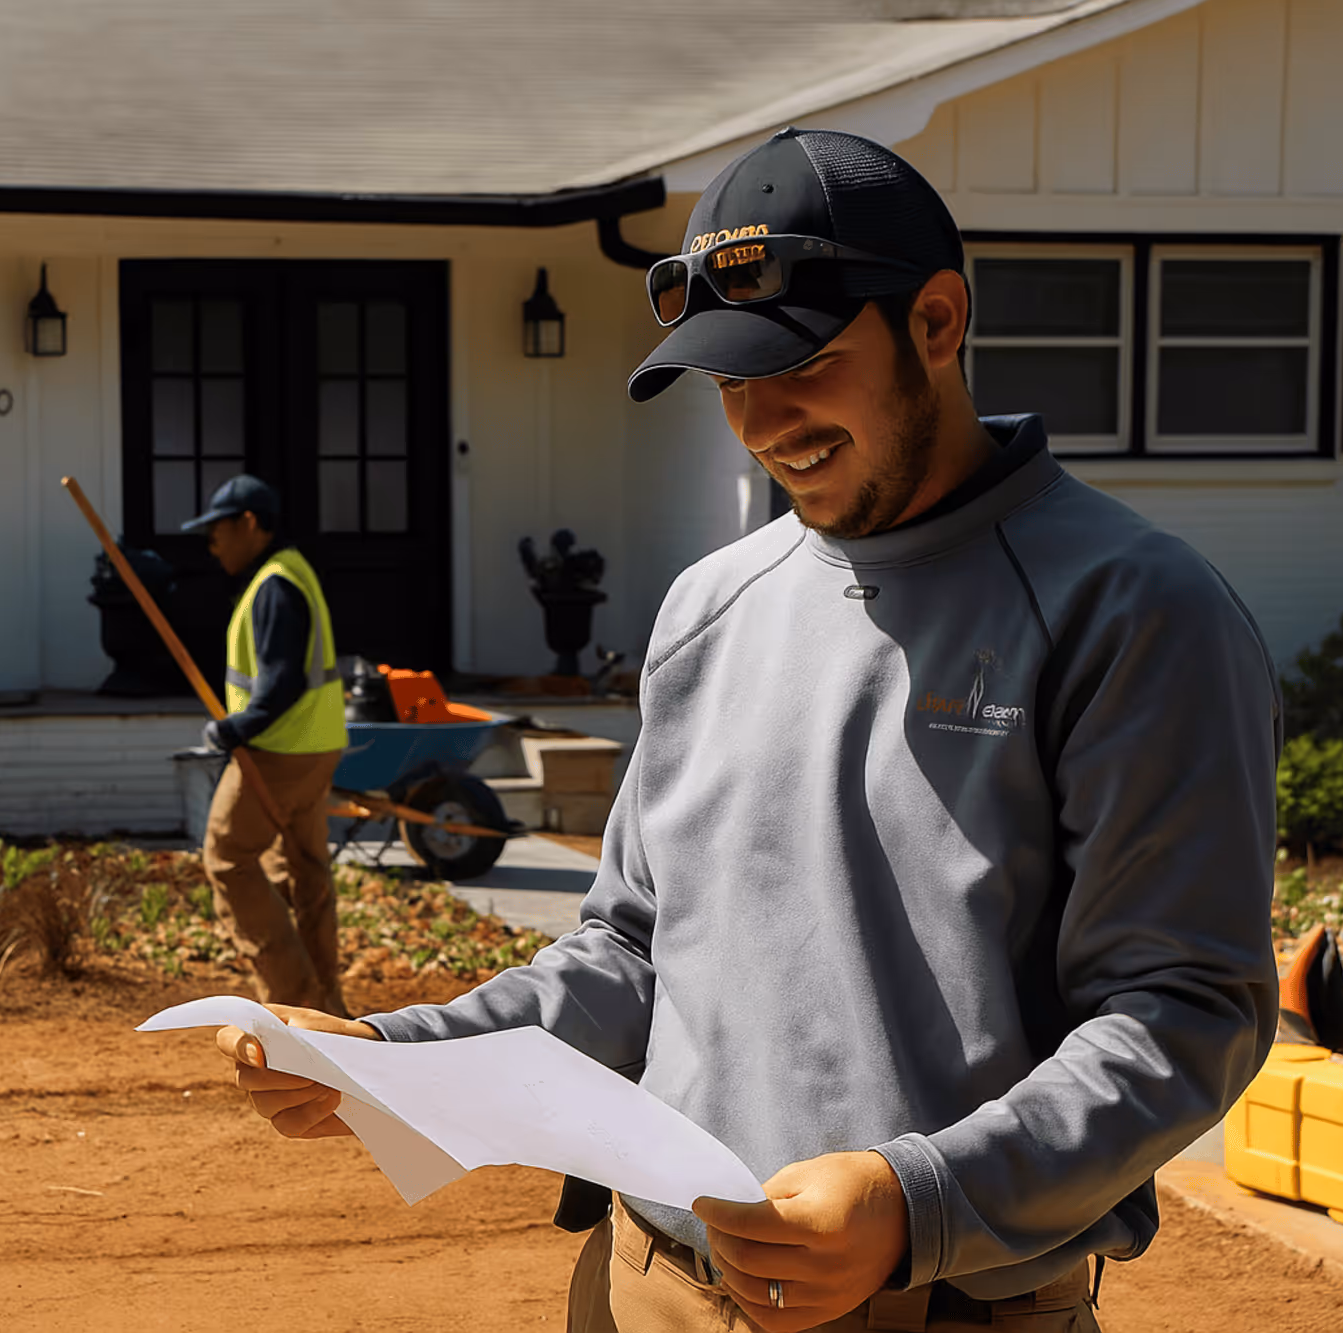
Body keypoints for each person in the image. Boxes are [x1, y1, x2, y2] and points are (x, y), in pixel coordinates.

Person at [209, 127, 1281, 1332]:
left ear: (935, 322)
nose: (764, 422)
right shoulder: (707, 609)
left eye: (803, 363)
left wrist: (914, 1200)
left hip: (931, 1308)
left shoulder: (1130, 611)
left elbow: (1183, 1009)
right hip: (641, 1287)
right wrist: (397, 1049)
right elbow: (627, 955)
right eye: (727, 382)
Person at [182, 474, 350, 1019]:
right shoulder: (290, 574)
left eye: (218, 530)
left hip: (280, 749)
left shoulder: (275, 585)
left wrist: (234, 729)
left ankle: (289, 1000)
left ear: (249, 524)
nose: (212, 543)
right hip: (315, 744)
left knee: (227, 857)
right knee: (301, 870)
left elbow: (281, 682)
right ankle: (326, 1004)